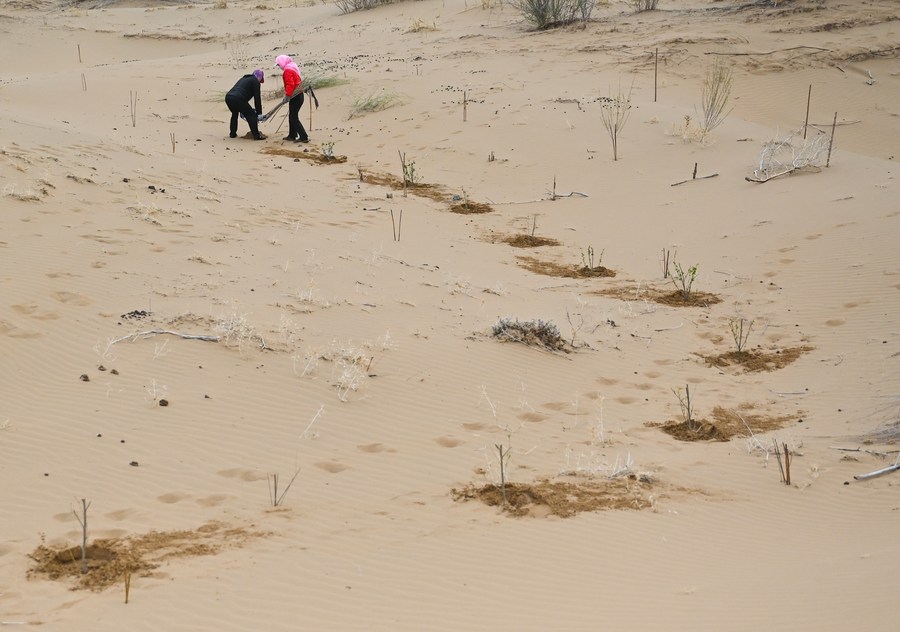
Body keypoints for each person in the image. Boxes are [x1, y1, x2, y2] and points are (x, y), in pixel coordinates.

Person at [274, 54, 309, 143]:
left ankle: (304, 137)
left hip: (296, 96)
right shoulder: (292, 67)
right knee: (292, 116)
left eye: (279, 65)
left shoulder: (288, 70)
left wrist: (288, 95)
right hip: (298, 95)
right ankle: (292, 135)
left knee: (293, 117)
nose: (279, 67)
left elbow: (290, 84)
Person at [225, 69, 266, 140]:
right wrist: (259, 113)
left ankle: (232, 134)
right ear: (259, 77)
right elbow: (257, 98)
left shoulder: (244, 78)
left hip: (229, 97)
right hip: (238, 98)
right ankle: (256, 136)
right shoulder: (255, 81)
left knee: (234, 114)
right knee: (251, 115)